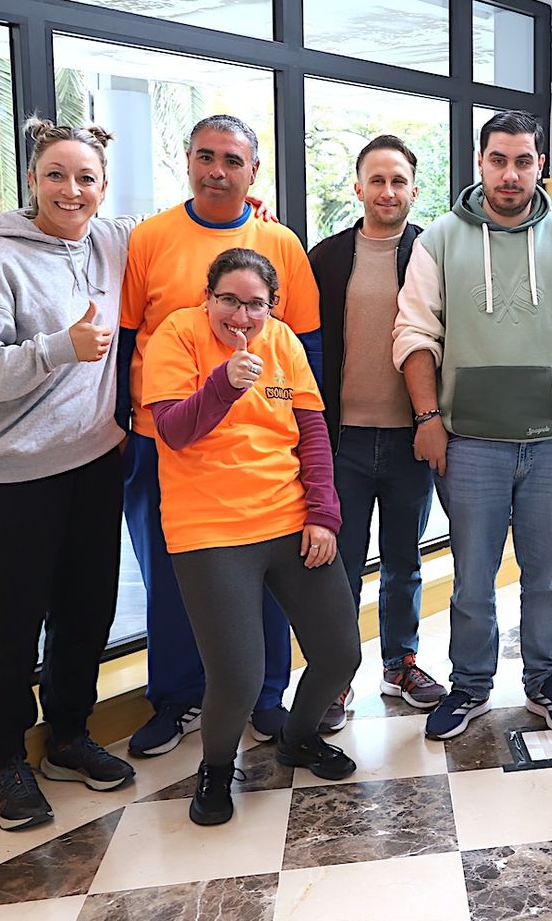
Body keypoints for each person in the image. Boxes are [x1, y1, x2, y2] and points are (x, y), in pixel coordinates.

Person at [0, 118, 137, 831]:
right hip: (6, 480)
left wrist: (250, 213)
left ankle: (68, 736)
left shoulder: (110, 240)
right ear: (33, 179)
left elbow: (176, 232)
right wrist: (60, 348)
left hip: (89, 465)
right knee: (8, 624)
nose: (71, 189)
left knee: (86, 611)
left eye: (86, 177)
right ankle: (2, 759)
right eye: (57, 174)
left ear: (103, 186)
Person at [394, 111, 552, 740]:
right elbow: (414, 333)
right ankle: (469, 688)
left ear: (540, 164)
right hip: (470, 443)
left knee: (546, 576)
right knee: (471, 579)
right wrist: (428, 419)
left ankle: (545, 681)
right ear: (480, 162)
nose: (511, 174)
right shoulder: (439, 238)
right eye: (499, 160)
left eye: (523, 161)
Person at [117, 115, 323, 757]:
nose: (217, 171)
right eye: (206, 157)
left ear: (253, 171)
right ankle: (177, 699)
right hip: (167, 440)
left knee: (266, 577)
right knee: (175, 580)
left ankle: (263, 697)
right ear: (187, 160)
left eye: (233, 161)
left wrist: (309, 453)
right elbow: (126, 342)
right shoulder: (150, 237)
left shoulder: (279, 242)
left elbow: (306, 347)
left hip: (262, 453)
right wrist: (122, 427)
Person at [143, 248, 361, 825]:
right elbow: (172, 431)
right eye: (229, 301)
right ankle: (215, 768)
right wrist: (222, 385)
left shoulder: (283, 342)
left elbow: (311, 430)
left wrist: (324, 512)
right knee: (237, 679)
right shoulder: (178, 335)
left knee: (341, 653)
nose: (241, 317)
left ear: (272, 305)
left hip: (290, 517)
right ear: (207, 296)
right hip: (210, 527)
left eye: (255, 305)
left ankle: (298, 737)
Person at [308, 135, 447, 721]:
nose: (387, 191)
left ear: (414, 190)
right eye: (377, 180)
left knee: (402, 560)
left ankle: (400, 663)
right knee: (341, 563)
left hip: (411, 437)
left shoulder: (432, 254)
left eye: (399, 181)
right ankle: (336, 678)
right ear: (358, 187)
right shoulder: (327, 257)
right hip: (343, 441)